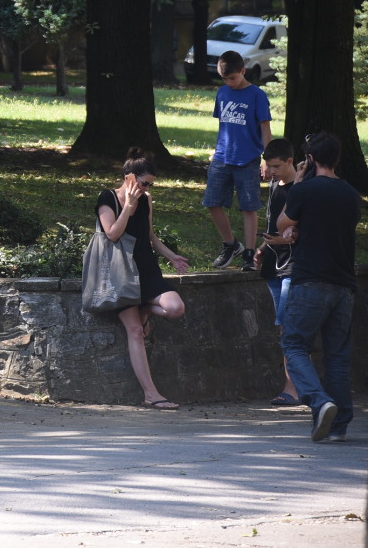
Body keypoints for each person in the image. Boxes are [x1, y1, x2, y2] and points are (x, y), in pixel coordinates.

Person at [279, 131, 363, 442]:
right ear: (338, 158)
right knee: (337, 357)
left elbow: (282, 224)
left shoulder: (306, 189)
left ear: (310, 160)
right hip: (344, 285)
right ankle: (338, 427)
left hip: (311, 281)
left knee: (295, 345)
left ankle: (318, 399)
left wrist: (299, 182)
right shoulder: (352, 195)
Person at [93, 147, 190, 410]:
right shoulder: (108, 198)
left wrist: (172, 256)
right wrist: (129, 205)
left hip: (145, 267)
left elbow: (149, 236)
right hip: (119, 271)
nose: (147, 189)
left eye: (150, 185)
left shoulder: (146, 200)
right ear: (130, 177)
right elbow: (112, 234)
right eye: (145, 183)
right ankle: (151, 394)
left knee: (174, 307)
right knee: (135, 331)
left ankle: (144, 308)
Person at [206, 50, 271, 269]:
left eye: (232, 77)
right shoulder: (223, 92)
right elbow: (224, 125)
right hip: (223, 157)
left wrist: (267, 159)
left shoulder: (257, 95)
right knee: (212, 202)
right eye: (224, 78)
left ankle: (251, 254)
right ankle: (231, 244)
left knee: (248, 207)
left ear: (243, 71)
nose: (229, 82)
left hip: (248, 159)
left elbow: (265, 129)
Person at [255, 137, 299, 406]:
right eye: (268, 166)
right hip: (273, 263)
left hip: (293, 264)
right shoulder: (274, 184)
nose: (271, 171)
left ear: (290, 161)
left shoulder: (302, 188)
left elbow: (301, 230)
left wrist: (284, 240)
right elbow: (274, 224)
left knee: (288, 328)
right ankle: (294, 386)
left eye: (276, 166)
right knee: (283, 327)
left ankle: (292, 388)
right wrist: (263, 246)